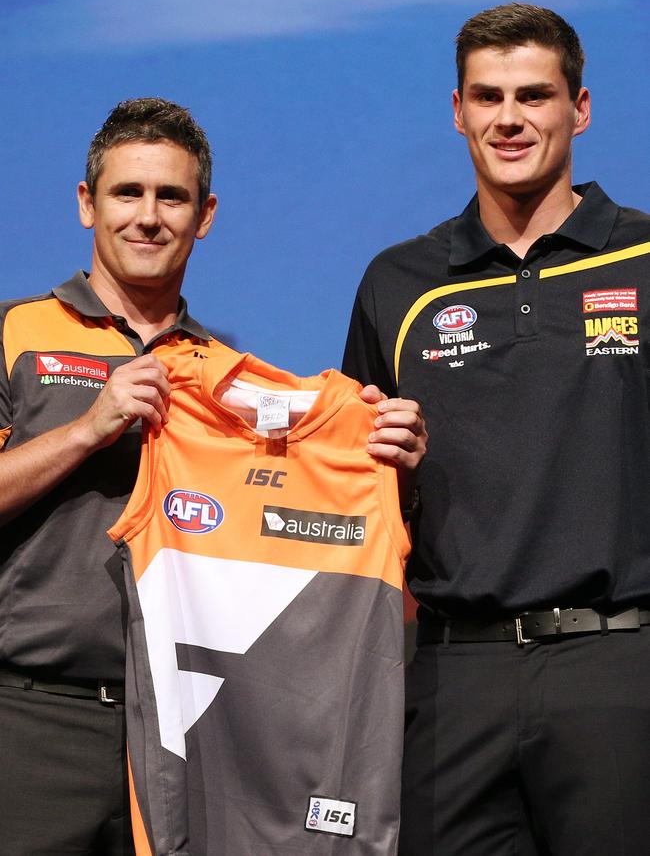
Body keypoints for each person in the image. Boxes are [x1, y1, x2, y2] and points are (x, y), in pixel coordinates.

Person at [0, 97, 425, 855]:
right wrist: (86, 430)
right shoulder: (17, 332)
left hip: (186, 733)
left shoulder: (228, 381)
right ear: (85, 203)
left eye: (172, 197)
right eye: (127, 192)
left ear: (206, 214)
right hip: (35, 717)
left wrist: (386, 453)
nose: (148, 216)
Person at [343, 2, 650, 856]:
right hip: (450, 678)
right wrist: (392, 466)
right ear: (457, 111)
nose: (508, 119)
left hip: (620, 664)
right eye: (487, 97)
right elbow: (354, 498)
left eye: (534, 95)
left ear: (579, 109)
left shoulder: (644, 257)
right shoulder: (397, 281)